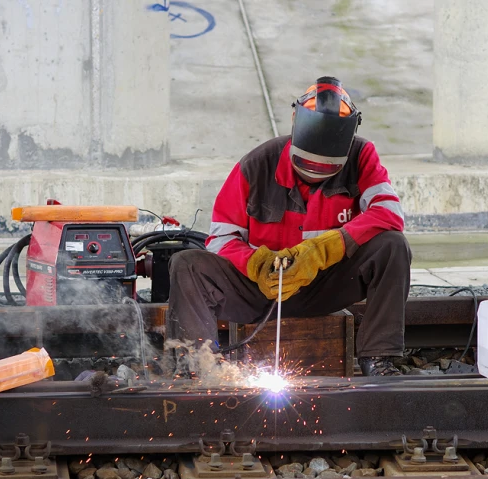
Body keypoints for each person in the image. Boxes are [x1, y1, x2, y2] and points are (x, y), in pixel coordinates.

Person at [166, 76, 411, 376]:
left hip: (324, 286)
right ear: (295, 124)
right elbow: (220, 238)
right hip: (260, 291)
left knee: (393, 246)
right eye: (305, 169)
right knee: (186, 265)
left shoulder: (361, 156)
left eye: (324, 173)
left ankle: (378, 358)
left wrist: (326, 248)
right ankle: (198, 366)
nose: (313, 178)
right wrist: (256, 263)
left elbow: (389, 212)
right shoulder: (257, 165)